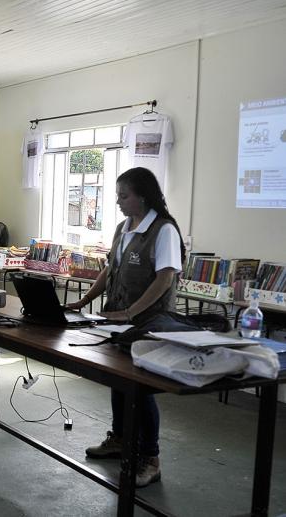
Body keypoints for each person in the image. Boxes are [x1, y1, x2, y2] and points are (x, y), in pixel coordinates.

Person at [66, 167, 190, 488]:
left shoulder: (163, 230)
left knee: (141, 389)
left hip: (149, 322)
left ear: (143, 196)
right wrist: (83, 301)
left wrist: (131, 312)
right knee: (118, 380)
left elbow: (165, 278)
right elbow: (110, 269)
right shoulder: (123, 227)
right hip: (118, 319)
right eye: (118, 196)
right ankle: (121, 439)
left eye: (124, 196)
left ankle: (151, 458)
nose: (119, 202)